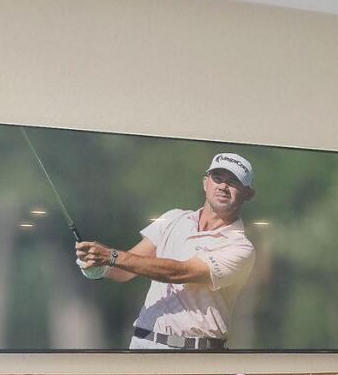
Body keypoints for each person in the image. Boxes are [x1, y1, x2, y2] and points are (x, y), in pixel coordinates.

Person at [76, 150, 260, 350]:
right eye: (217, 178)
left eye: (233, 182)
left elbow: (180, 272)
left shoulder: (240, 247)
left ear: (248, 194)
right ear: (205, 183)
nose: (223, 186)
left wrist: (111, 256)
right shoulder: (173, 218)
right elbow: (123, 271)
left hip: (194, 353)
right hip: (141, 343)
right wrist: (94, 265)